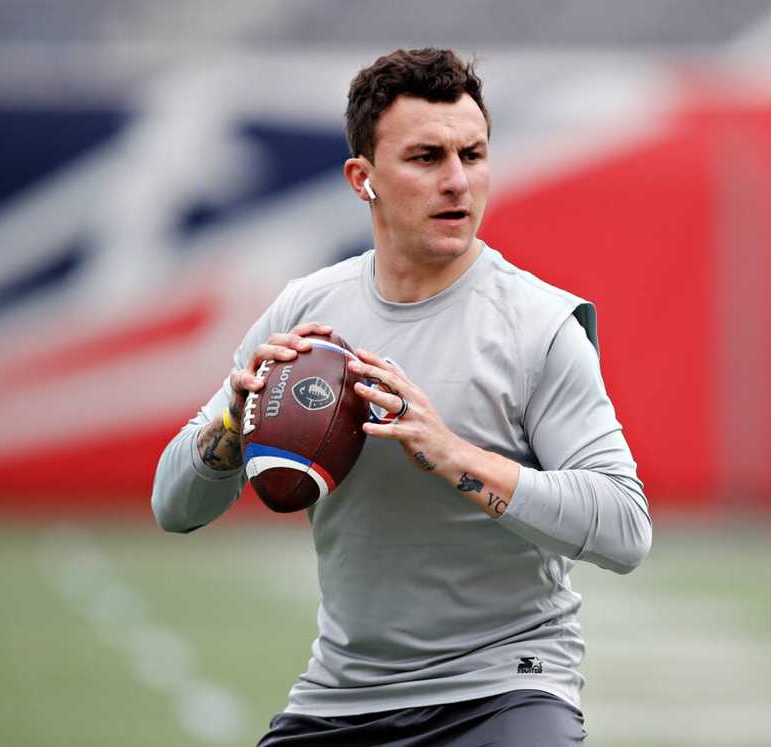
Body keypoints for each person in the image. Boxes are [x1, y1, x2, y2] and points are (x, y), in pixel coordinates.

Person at [151, 48, 651, 746]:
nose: (457, 181)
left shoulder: (539, 324)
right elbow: (173, 507)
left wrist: (457, 458)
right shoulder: (306, 313)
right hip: (343, 693)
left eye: (473, 154)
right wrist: (234, 422)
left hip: (506, 690)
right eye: (426, 157)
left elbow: (626, 529)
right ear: (363, 178)